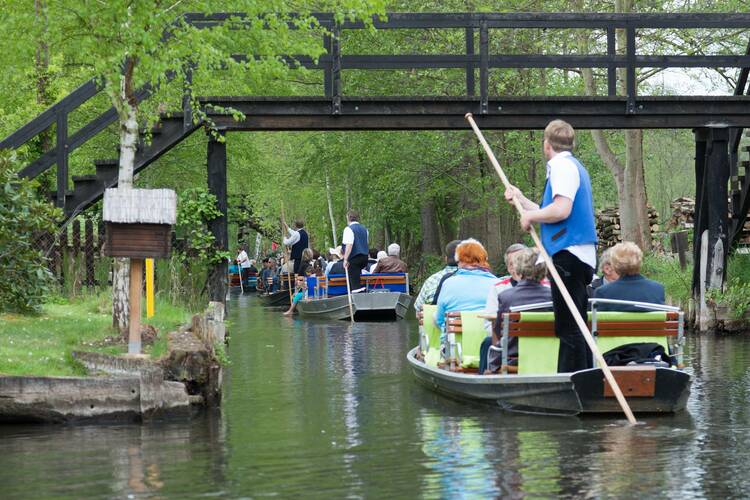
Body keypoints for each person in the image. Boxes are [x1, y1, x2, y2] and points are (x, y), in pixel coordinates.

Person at [504, 119, 598, 373]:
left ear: (547, 145)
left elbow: (561, 210)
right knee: (574, 324)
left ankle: (572, 383)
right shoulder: (571, 166)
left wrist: (530, 217)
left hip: (569, 254)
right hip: (575, 254)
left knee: (568, 327)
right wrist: (521, 200)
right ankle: (581, 379)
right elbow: (551, 210)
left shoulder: (561, 167)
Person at [479, 248, 553, 374]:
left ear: (519, 269)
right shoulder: (553, 296)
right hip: (548, 355)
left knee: (488, 344)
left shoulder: (506, 296)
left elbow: (497, 331)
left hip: (513, 358)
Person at [434, 239, 498, 343]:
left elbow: (439, 320)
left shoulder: (448, 283)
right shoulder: (497, 284)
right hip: (489, 348)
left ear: (461, 261)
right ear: (483, 261)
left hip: (455, 350)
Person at [594, 242, 665, 310]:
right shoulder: (657, 289)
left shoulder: (603, 293)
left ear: (616, 265)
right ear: (640, 261)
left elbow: (597, 321)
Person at [483, 243, 527, 334]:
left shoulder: (546, 287)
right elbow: (489, 324)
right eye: (513, 263)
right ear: (509, 268)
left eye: (522, 262)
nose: (518, 266)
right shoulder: (498, 289)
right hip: (508, 340)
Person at [414, 239, 462, 313]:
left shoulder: (431, 280)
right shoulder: (476, 281)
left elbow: (418, 310)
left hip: (435, 323)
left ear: (446, 259)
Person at [341, 209, 369, 292]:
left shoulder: (348, 229)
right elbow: (366, 243)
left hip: (354, 258)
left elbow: (349, 245)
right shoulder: (365, 229)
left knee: (354, 283)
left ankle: (357, 296)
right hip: (365, 257)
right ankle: (356, 291)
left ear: (348, 218)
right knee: (354, 278)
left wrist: (345, 259)